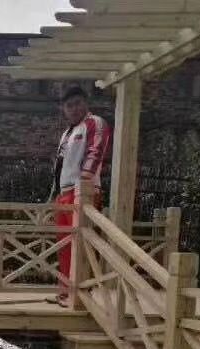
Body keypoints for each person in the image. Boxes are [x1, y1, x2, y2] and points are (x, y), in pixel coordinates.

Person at [50, 85, 112, 305]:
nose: (74, 109)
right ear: (63, 109)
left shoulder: (94, 123)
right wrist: (54, 193)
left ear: (85, 103)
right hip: (64, 192)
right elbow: (59, 166)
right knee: (64, 244)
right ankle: (66, 290)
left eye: (77, 103)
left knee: (80, 245)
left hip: (83, 192)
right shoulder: (67, 133)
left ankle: (81, 294)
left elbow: (96, 151)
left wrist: (84, 182)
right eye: (69, 106)